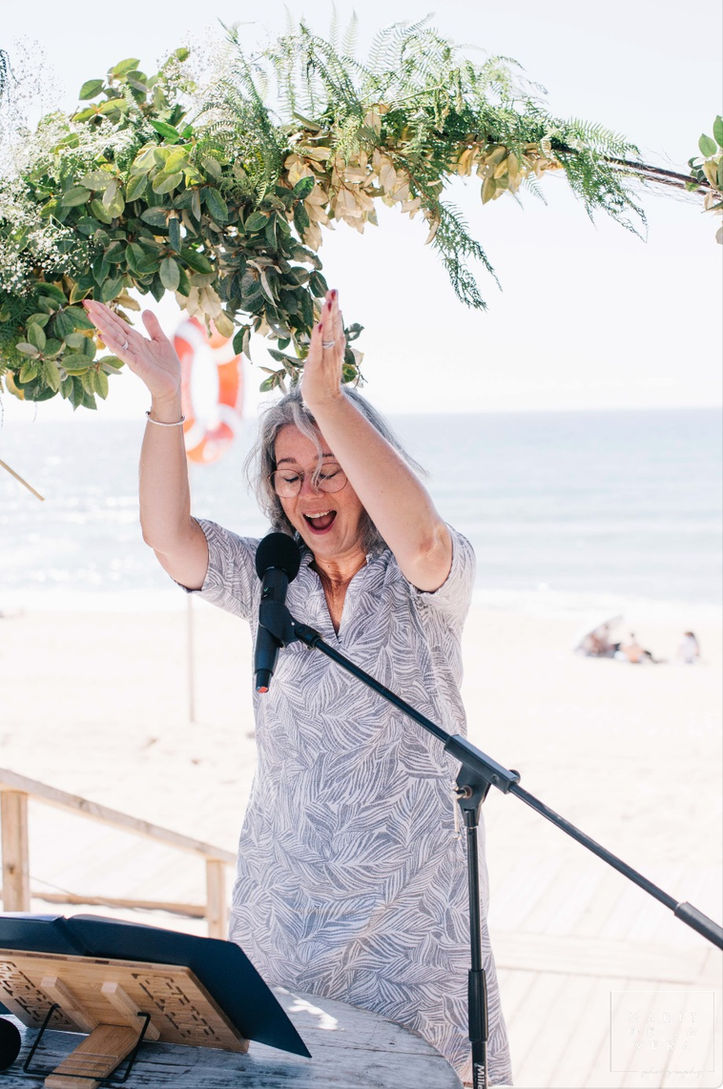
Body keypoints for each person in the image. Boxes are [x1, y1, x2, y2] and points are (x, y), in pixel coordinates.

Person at [83, 290, 512, 1086]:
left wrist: (325, 399)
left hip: (412, 923)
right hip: (286, 914)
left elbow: (419, 532)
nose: (309, 494)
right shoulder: (269, 578)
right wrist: (167, 402)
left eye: (330, 471)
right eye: (290, 476)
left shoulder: (424, 584)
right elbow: (168, 537)